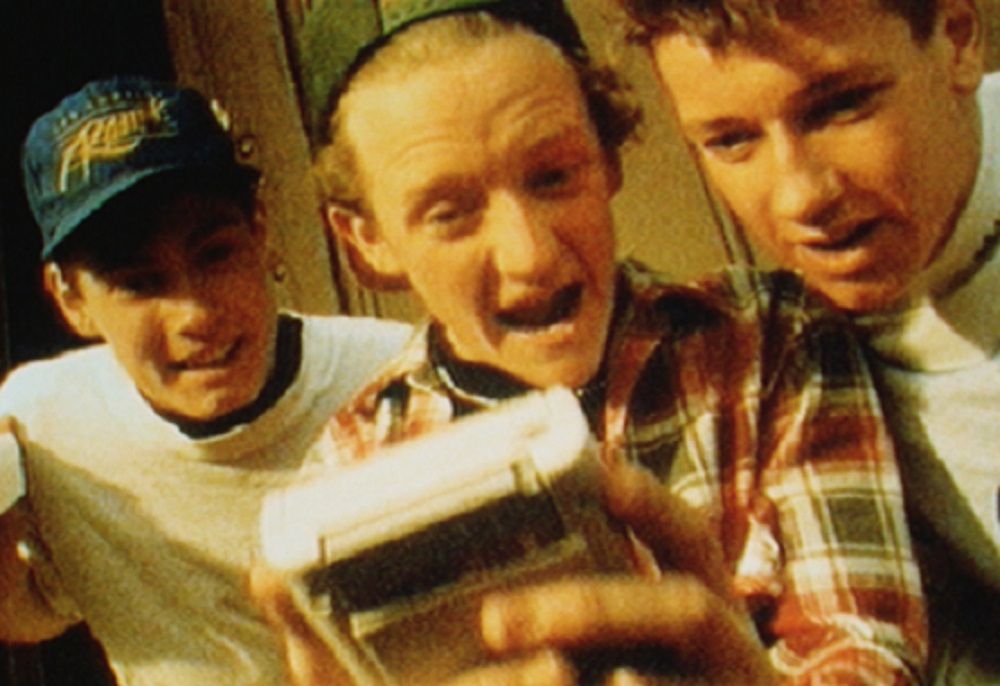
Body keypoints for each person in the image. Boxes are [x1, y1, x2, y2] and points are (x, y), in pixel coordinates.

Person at [255, 2, 927, 683]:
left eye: (553, 177)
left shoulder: (768, 342)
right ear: (368, 241)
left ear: (607, 158)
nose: (530, 256)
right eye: (451, 214)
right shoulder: (345, 481)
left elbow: (865, 653)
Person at [614, 0, 1000, 682]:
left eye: (842, 106)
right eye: (732, 141)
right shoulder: (786, 360)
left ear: (957, 39)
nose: (801, 197)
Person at [0, 77, 411, 685]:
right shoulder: (43, 426)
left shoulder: (397, 383)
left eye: (215, 254)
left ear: (259, 229)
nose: (194, 313)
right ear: (71, 299)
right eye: (140, 283)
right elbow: (36, 609)